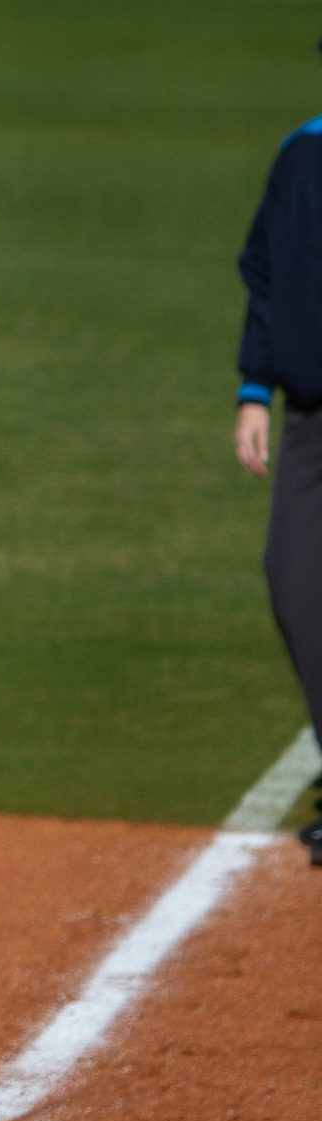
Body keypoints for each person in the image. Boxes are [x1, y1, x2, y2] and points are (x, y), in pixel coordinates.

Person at [234, 76, 322, 863]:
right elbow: (264, 276)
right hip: (308, 421)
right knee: (294, 584)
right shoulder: (301, 157)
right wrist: (253, 388)